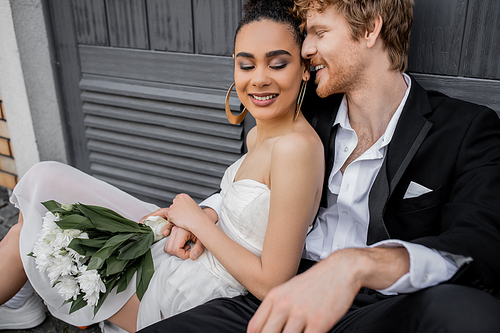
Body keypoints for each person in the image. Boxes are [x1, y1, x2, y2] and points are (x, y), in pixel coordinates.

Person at [139, 0, 500, 332]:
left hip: (378, 309)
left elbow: (481, 244)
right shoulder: (304, 106)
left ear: (371, 29)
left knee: (466, 311)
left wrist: (357, 265)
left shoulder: (466, 129)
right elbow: (259, 175)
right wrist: (207, 212)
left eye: (319, 33)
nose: (306, 49)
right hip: (276, 295)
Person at [0, 0, 324, 331]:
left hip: (198, 288)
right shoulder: (259, 135)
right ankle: (22, 297)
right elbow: (247, 210)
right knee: (43, 183)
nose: (259, 79)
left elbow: (273, 283)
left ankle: (20, 299)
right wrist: (203, 215)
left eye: (277, 64)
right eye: (246, 65)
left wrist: (198, 222)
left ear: (304, 67)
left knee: (22, 235)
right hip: (190, 248)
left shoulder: (295, 149)